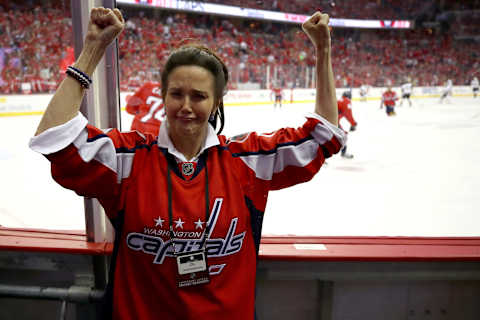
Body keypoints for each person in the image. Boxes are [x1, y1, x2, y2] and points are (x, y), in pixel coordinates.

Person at [29, 7, 345, 320]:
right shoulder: (129, 160)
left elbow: (324, 137)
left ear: (217, 100)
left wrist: (323, 50)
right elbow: (55, 138)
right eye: (176, 94)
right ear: (163, 95)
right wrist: (93, 49)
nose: (186, 106)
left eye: (199, 95)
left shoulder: (247, 161)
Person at [337, 91, 357, 159]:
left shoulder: (340, 100)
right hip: (332, 121)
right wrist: (353, 123)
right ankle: (343, 153)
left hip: (329, 120)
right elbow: (348, 114)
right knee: (343, 136)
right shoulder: (346, 101)